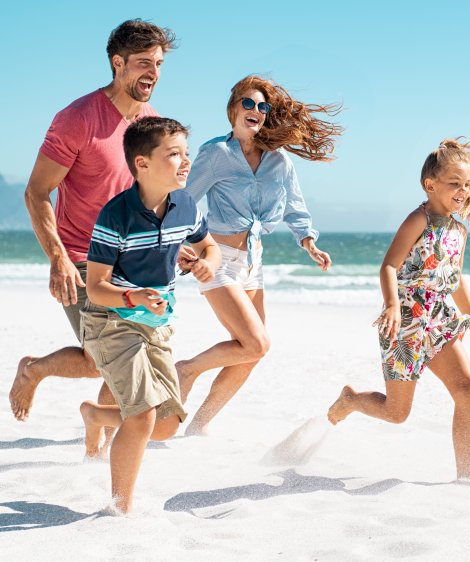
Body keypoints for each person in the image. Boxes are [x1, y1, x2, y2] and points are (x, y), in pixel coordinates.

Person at [11, 19, 176, 423]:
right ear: (117, 63)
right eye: (142, 63)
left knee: (114, 353)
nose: (152, 73)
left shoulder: (150, 121)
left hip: (132, 258)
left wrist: (173, 242)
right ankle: (35, 372)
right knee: (109, 356)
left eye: (157, 63)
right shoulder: (77, 118)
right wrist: (58, 258)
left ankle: (97, 431)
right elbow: (36, 192)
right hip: (84, 258)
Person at [326, 138, 470, 492]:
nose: (463, 191)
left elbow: (453, 279)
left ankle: (466, 471)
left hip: (438, 318)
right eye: (455, 183)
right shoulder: (417, 220)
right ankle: (351, 400)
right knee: (397, 413)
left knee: (467, 389)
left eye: (467, 185)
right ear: (431, 185)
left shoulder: (458, 230)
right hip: (405, 322)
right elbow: (389, 266)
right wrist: (392, 305)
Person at [176, 75, 340, 435]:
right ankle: (186, 369)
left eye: (262, 106)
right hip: (217, 258)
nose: (255, 111)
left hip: (253, 263)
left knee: (253, 352)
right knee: (255, 342)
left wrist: (308, 242)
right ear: (233, 109)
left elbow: (296, 207)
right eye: (248, 104)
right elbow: (182, 200)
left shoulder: (278, 161)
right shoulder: (216, 154)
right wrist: (177, 243)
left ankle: (199, 425)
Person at [79, 117, 220, 514]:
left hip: (157, 323)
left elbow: (210, 247)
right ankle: (118, 509)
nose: (185, 162)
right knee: (141, 417)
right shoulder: (115, 216)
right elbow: (96, 286)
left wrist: (208, 261)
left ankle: (95, 415)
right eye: (173, 154)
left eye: (186, 153)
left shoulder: (186, 205)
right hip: (112, 319)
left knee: (167, 424)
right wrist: (134, 296)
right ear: (141, 164)